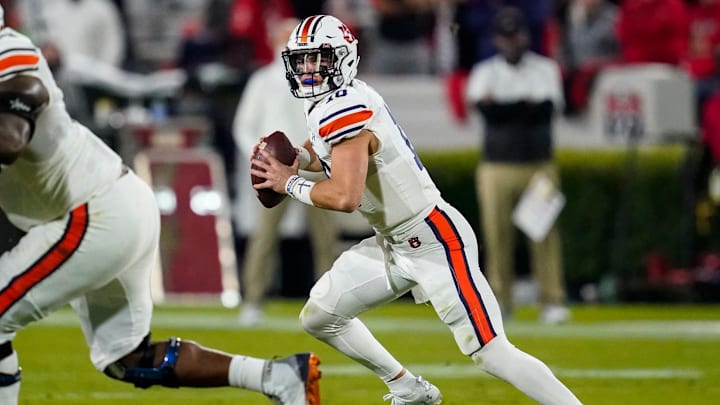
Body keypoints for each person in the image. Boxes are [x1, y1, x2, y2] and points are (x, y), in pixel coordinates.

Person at [251, 14, 583, 404]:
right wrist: (296, 157)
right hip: (392, 243)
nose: (308, 70)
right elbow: (324, 149)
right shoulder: (337, 100)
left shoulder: (346, 107)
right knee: (320, 316)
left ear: (341, 58)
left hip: (434, 240)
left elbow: (345, 197)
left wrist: (288, 183)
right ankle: (407, 387)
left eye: (317, 60)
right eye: (302, 60)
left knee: (493, 353)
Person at [0, 8, 320, 405]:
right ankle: (279, 376)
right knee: (129, 358)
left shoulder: (9, 53)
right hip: (113, 204)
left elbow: (11, 137)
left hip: (92, 212)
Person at [465, 7, 570, 325]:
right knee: (496, 236)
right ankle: (500, 300)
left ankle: (552, 299)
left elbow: (545, 110)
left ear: (525, 35)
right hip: (496, 165)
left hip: (538, 163)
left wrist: (503, 108)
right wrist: (521, 108)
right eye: (506, 36)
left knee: (544, 233)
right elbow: (491, 111)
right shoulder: (484, 71)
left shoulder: (545, 69)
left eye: (516, 35)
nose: (512, 42)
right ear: (497, 39)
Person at [234, 18, 340, 326]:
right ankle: (253, 299)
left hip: (312, 163)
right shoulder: (264, 79)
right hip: (277, 166)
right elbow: (244, 125)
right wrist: (259, 158)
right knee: (265, 235)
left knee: (325, 237)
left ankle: (333, 303)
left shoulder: (317, 79)